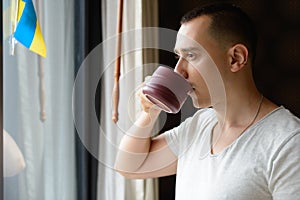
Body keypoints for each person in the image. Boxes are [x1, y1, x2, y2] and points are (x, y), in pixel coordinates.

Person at [114, 2, 300, 199]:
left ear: (235, 58)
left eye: (191, 55)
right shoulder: (200, 125)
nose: (178, 71)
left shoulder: (288, 143)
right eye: (179, 56)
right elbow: (129, 166)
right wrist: (148, 114)